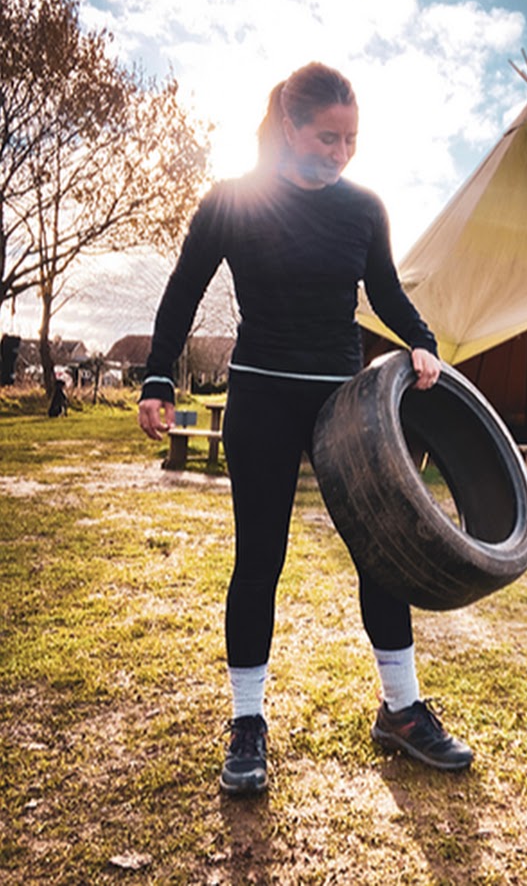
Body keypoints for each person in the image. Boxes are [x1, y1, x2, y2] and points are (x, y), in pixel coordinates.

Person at [138, 62, 472, 795]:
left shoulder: (362, 209)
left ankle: (402, 710)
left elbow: (384, 288)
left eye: (352, 140)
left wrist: (420, 340)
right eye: (328, 137)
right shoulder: (231, 201)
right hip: (261, 395)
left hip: (345, 406)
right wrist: (159, 375)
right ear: (290, 127)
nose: (341, 153)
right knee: (261, 560)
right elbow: (184, 289)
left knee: (381, 555)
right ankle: (248, 725)